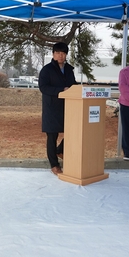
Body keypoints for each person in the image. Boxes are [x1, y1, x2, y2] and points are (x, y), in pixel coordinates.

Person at [39, 42, 77, 175]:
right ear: (53, 54)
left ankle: (60, 150)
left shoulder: (69, 69)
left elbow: (73, 86)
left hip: (68, 107)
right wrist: (61, 89)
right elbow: (43, 87)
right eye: (58, 53)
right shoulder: (47, 70)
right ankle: (54, 164)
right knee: (52, 135)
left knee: (73, 131)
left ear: (66, 54)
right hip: (52, 107)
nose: (61, 56)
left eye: (63, 53)